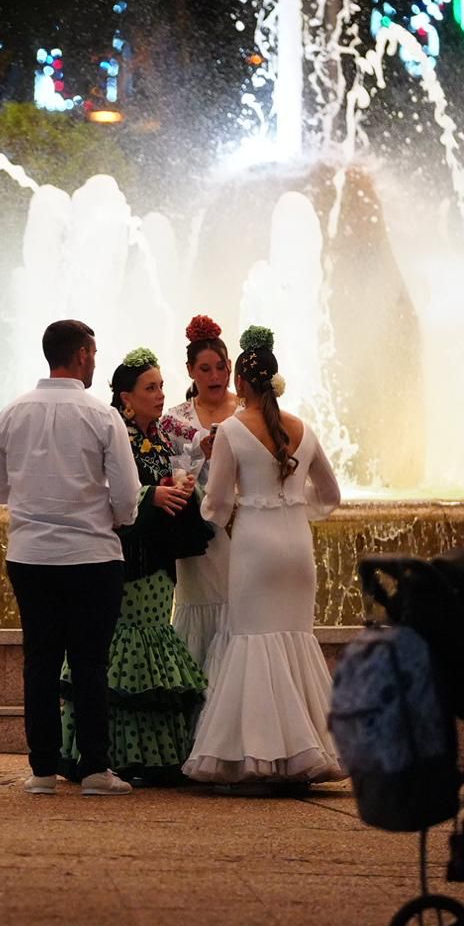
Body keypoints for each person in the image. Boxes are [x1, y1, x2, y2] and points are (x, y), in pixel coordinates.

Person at [0, 319, 141, 798]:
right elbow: (128, 496)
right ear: (84, 355)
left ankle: (42, 771)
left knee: (40, 662)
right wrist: (112, 516)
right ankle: (94, 769)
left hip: (29, 556)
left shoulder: (12, 413)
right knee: (90, 663)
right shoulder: (101, 416)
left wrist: (33, 497)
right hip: (92, 556)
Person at [182, 326, 346, 790]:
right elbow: (330, 496)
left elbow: (216, 505)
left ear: (243, 383)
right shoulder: (304, 428)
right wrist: (294, 506)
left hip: (254, 549)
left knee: (254, 641)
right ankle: (310, 750)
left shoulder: (231, 430)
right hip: (297, 548)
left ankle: (262, 755)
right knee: (296, 639)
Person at [58, 347, 211, 785]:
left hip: (160, 556)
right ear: (126, 397)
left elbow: (191, 452)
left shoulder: (162, 433)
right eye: (151, 388)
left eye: (162, 386)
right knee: (125, 645)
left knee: (152, 640)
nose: (161, 395)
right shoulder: (112, 432)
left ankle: (152, 755)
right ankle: (109, 754)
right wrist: (151, 495)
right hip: (123, 556)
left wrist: (178, 484)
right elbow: (97, 488)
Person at [159, 314, 240, 668]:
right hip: (194, 533)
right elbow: (165, 470)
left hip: (241, 528)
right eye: (204, 369)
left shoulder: (249, 413)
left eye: (220, 368)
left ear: (230, 368)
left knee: (238, 609)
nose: (214, 377)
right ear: (190, 370)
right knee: (196, 610)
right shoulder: (174, 419)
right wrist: (194, 458)